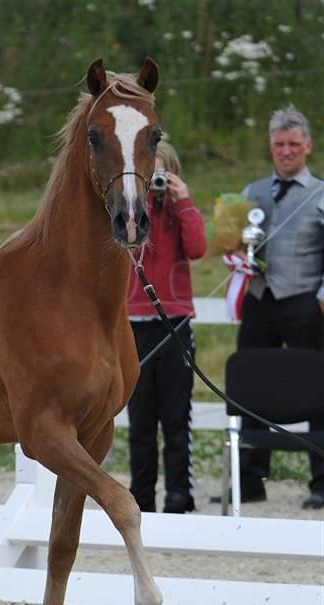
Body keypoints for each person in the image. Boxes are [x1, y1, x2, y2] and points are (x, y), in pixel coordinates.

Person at [232, 105, 324, 509]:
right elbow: (234, 243)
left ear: (308, 146)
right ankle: (250, 479)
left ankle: (322, 481)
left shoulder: (322, 193)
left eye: (293, 144)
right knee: (250, 388)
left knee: (318, 390)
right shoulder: (251, 193)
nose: (285, 151)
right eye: (278, 144)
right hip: (259, 301)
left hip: (306, 303)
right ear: (270, 147)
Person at [126, 139, 207, 513]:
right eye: (149, 173)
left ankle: (179, 496)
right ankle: (141, 498)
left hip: (173, 323)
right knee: (140, 420)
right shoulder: (129, 209)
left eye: (162, 174)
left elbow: (198, 248)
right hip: (133, 326)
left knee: (176, 416)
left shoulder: (179, 211)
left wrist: (183, 201)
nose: (155, 181)